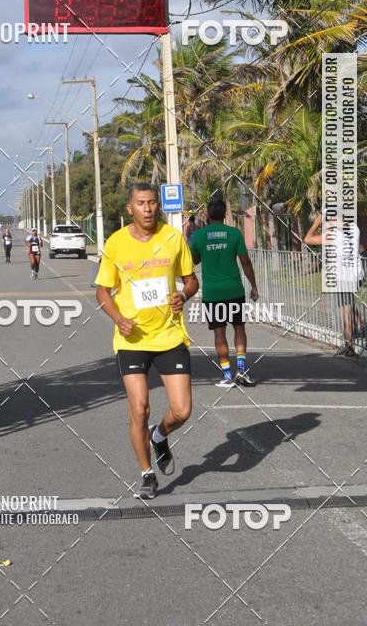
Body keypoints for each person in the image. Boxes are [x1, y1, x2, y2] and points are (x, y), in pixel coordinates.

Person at [95, 182, 199, 500]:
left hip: (169, 335)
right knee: (139, 408)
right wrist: (118, 319)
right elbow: (102, 291)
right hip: (132, 339)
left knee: (182, 410)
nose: (148, 208)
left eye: (152, 202)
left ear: (158, 205)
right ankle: (146, 474)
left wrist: (184, 295)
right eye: (141, 203)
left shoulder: (172, 238)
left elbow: (191, 280)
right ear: (130, 208)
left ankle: (160, 435)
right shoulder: (116, 243)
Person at [190, 196, 259, 388]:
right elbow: (245, 262)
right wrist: (254, 286)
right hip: (234, 290)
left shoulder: (199, 236)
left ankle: (227, 375)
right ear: (224, 213)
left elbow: (195, 260)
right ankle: (241, 370)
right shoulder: (234, 233)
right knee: (239, 328)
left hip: (212, 293)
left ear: (208, 214)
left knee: (219, 333)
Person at [304, 212, 364, 357]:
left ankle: (348, 344)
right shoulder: (354, 228)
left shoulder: (332, 235)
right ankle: (359, 326)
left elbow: (307, 239)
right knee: (350, 302)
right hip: (357, 273)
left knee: (345, 310)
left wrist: (317, 222)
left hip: (344, 277)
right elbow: (361, 248)